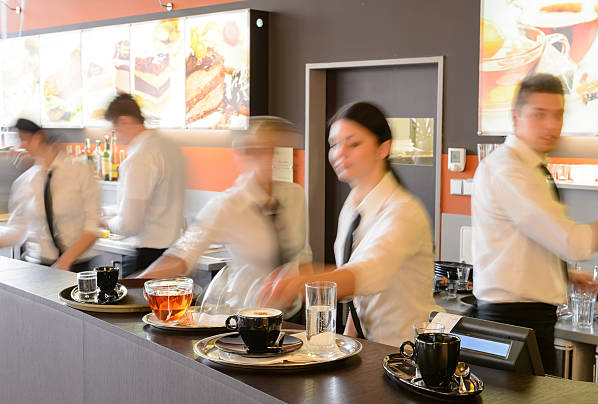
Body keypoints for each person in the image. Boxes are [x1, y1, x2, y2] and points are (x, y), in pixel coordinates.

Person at [261, 102, 442, 347]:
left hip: (406, 353)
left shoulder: (403, 212)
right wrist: (346, 343)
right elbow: (360, 297)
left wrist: (302, 282)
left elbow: (367, 274)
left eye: (353, 143)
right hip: (371, 351)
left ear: (383, 148)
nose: (339, 153)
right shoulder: (352, 207)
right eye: (334, 144)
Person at [471, 73, 598, 374]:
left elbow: (526, 240)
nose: (551, 125)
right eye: (539, 115)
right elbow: (573, 242)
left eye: (558, 115)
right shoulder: (509, 171)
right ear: (515, 117)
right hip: (513, 324)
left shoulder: (532, 169)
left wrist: (564, 274)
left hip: (528, 321)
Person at [138, 117, 311, 319]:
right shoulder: (227, 205)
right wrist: (130, 286)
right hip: (244, 317)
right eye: (259, 150)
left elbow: (302, 258)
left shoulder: (295, 196)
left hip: (292, 315)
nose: (269, 158)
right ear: (242, 154)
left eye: (275, 149)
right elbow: (181, 257)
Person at [0, 118, 100, 271]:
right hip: (41, 267)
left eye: (23, 140)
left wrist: (65, 262)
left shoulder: (80, 170)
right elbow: (19, 229)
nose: (21, 146)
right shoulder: (24, 182)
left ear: (38, 137)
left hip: (77, 267)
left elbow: (92, 227)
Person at [103, 94, 185, 277]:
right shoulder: (169, 147)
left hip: (147, 256)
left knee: (138, 304)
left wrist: (102, 222)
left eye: (114, 128)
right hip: (172, 253)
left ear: (124, 121)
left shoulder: (139, 158)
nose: (112, 134)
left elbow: (131, 225)